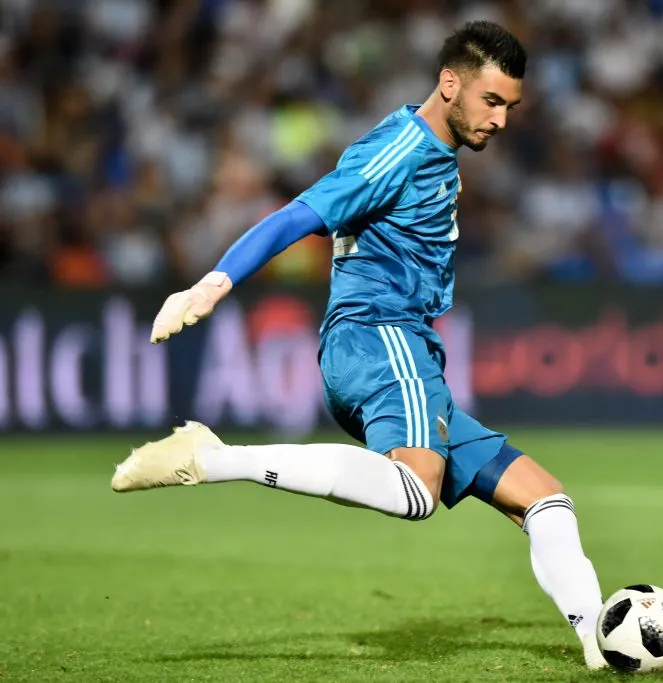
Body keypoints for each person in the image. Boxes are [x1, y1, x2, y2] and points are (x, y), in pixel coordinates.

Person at [110, 21, 606, 670]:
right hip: (377, 335)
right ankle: (215, 455)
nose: (502, 120)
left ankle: (598, 633)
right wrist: (212, 284)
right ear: (450, 84)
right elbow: (298, 214)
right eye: (492, 101)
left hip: (406, 354)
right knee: (417, 491)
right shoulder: (397, 150)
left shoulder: (436, 150)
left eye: (510, 106)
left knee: (541, 496)